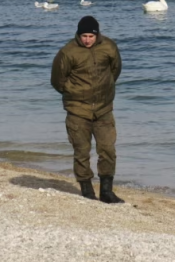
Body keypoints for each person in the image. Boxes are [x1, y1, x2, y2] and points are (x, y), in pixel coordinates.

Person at [51, 16, 124, 204]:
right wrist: (75, 92)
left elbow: (115, 71)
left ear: (96, 34)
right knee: (81, 151)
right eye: (83, 36)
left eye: (90, 36)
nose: (87, 40)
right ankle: (87, 191)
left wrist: (104, 90)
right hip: (77, 111)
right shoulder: (68, 52)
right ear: (78, 34)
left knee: (108, 150)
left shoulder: (109, 47)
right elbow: (57, 80)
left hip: (104, 110)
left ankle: (107, 191)